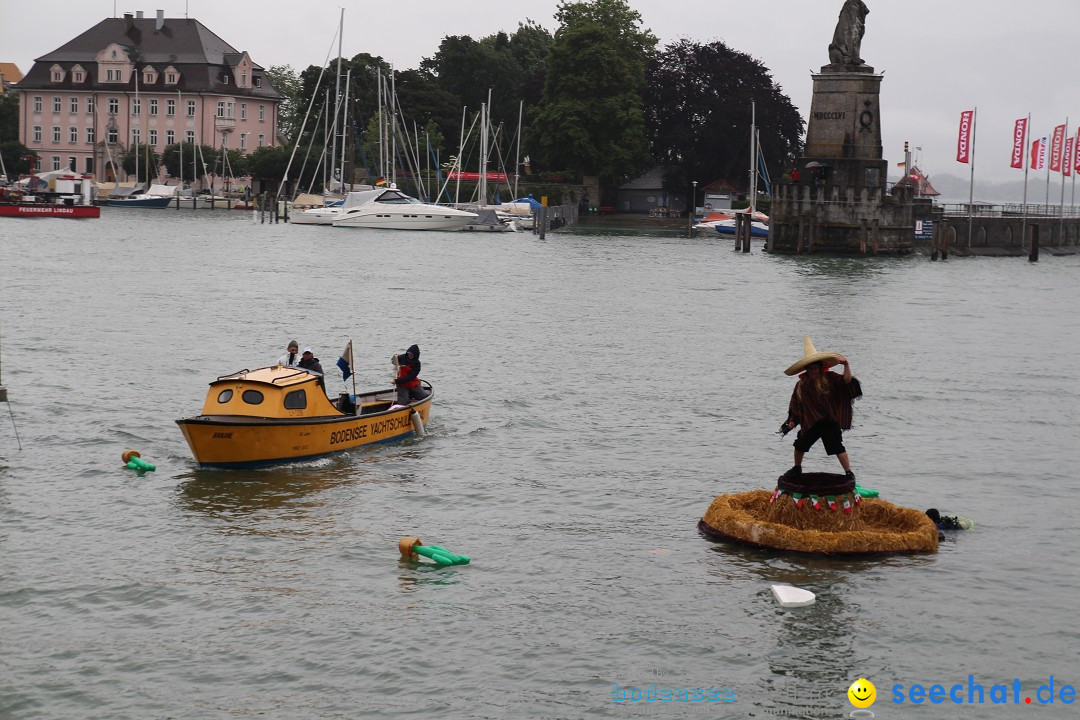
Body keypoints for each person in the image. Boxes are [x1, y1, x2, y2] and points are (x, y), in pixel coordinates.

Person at [780, 336, 863, 479]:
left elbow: (847, 381)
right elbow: (797, 406)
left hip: (829, 420)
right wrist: (792, 421)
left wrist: (846, 365)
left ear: (820, 367)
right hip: (811, 422)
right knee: (800, 444)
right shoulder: (802, 384)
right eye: (810, 368)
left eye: (815, 368)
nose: (813, 371)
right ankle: (796, 468)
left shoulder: (830, 378)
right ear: (806, 369)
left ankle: (849, 473)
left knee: (837, 446)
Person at [828, 0, 870, 66]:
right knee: (852, 36)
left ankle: (854, 56)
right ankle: (851, 56)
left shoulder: (858, 4)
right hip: (841, 50)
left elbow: (866, 11)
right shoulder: (851, 7)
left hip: (853, 24)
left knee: (855, 38)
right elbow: (850, 35)